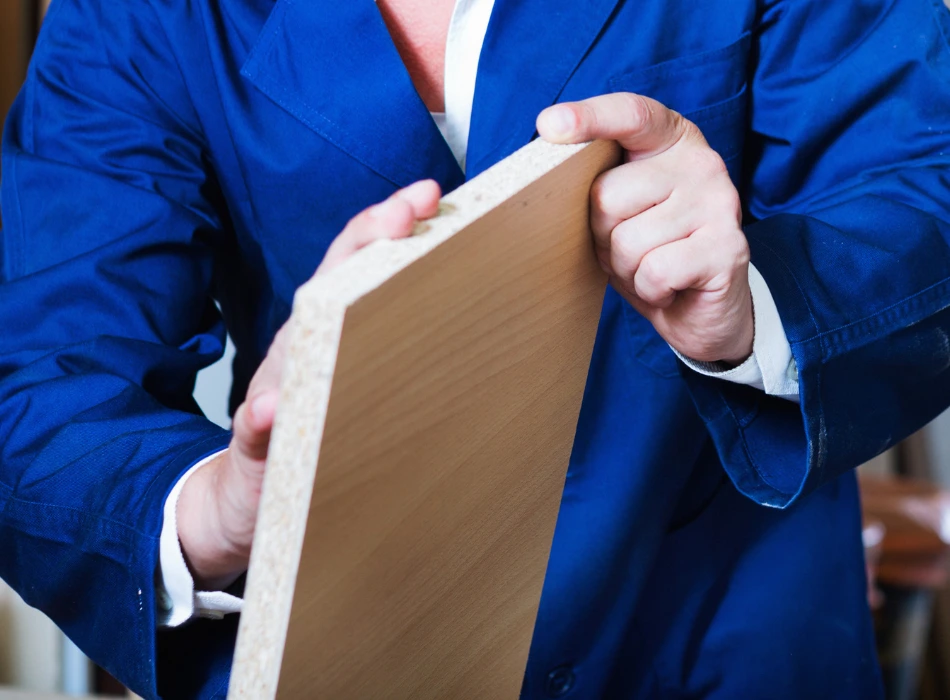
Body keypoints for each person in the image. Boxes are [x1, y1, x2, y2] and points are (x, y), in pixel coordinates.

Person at [2, 0, 949, 697]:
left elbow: (924, 186)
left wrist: (758, 307)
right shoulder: (129, 18)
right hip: (359, 653)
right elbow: (38, 376)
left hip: (728, 641)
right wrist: (227, 507)